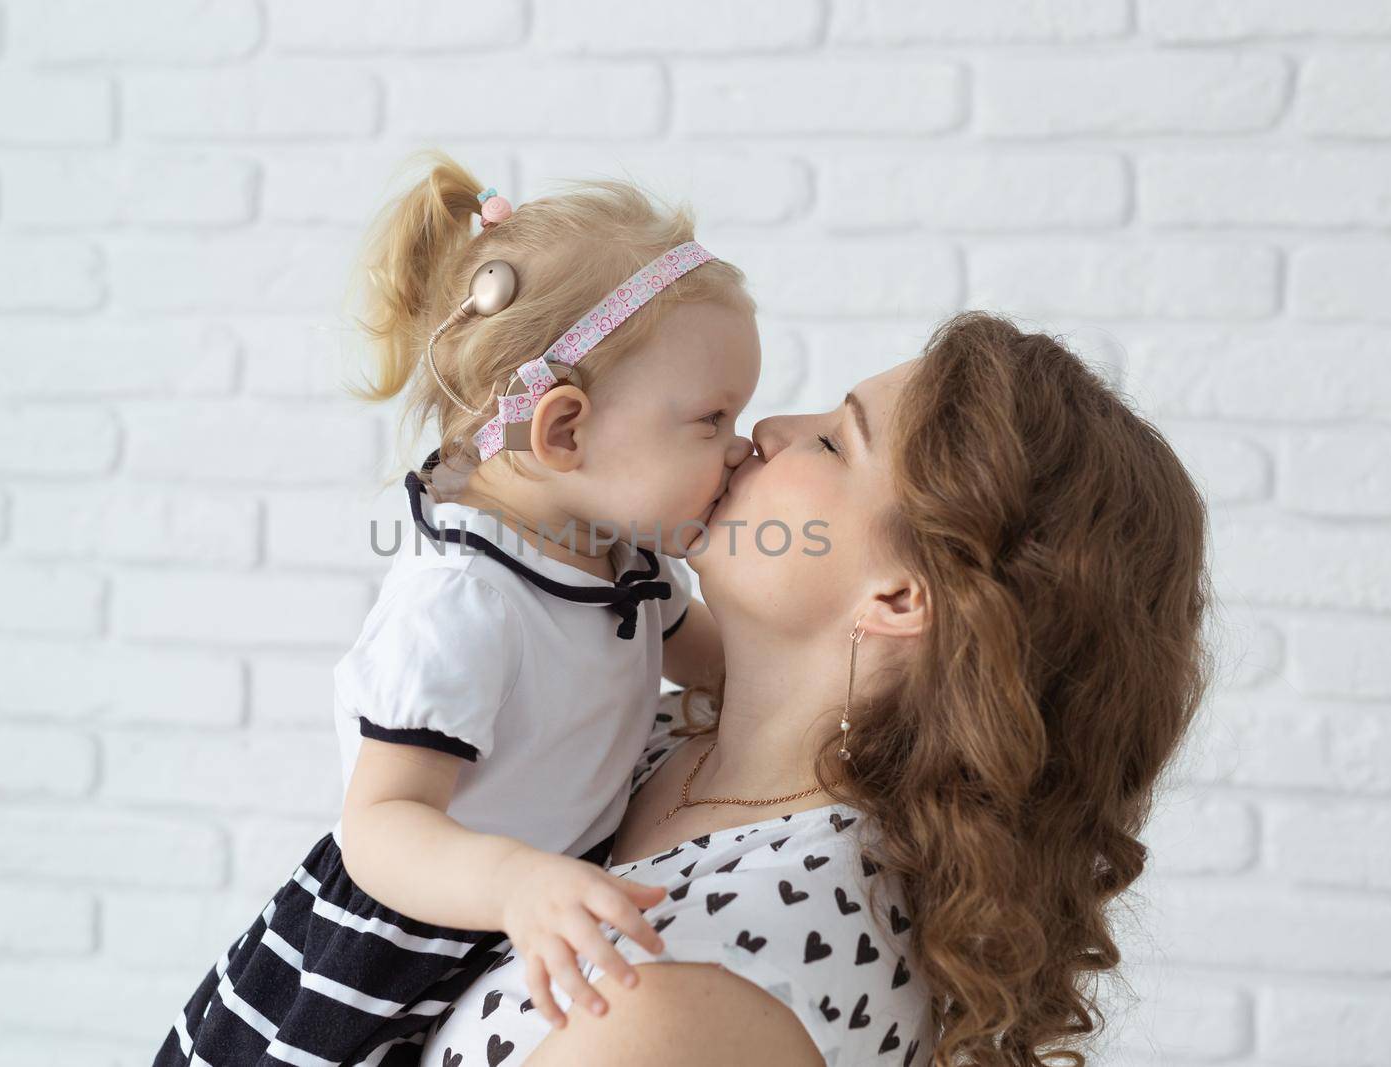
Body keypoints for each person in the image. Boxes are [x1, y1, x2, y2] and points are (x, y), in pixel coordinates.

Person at [423, 312, 1214, 1066]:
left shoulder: (689, 996)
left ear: (902, 597)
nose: (768, 432)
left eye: (835, 442)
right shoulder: (659, 730)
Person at [152, 151, 761, 1067]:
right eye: (712, 421)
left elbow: (719, 662)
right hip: (407, 941)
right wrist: (516, 883)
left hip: (522, 914)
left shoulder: (615, 551)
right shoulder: (467, 603)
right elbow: (380, 826)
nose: (742, 445)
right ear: (563, 430)